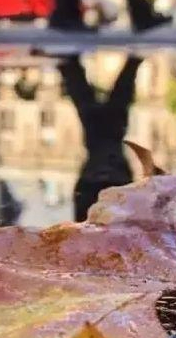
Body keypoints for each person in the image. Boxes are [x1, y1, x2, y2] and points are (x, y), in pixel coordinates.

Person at [58, 54, 141, 221]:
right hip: (105, 181)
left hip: (111, 182)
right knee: (97, 116)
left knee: (110, 114)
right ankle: (70, 67)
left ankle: (71, 67)